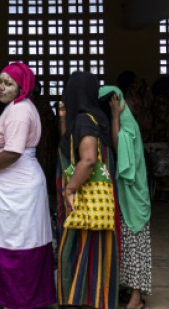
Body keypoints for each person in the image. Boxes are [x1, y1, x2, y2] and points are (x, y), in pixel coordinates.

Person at [0, 62, 56, 309]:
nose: (1, 88)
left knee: (17, 244)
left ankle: (18, 298)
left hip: (17, 187)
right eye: (0, 82)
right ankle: (7, 296)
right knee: (7, 241)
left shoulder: (20, 111)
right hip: (9, 186)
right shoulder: (15, 107)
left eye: (8, 83)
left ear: (22, 87)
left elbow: (12, 151)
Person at [56, 71, 118, 309]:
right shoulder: (96, 117)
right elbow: (72, 146)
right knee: (97, 249)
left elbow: (88, 158)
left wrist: (69, 189)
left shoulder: (83, 120)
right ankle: (97, 298)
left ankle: (77, 299)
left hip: (82, 198)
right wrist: (63, 119)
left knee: (76, 247)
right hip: (99, 201)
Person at [100, 85, 152, 309]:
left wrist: (115, 116)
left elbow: (118, 145)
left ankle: (137, 296)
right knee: (124, 245)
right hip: (122, 197)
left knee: (135, 244)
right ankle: (126, 289)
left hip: (134, 199)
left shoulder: (128, 127)